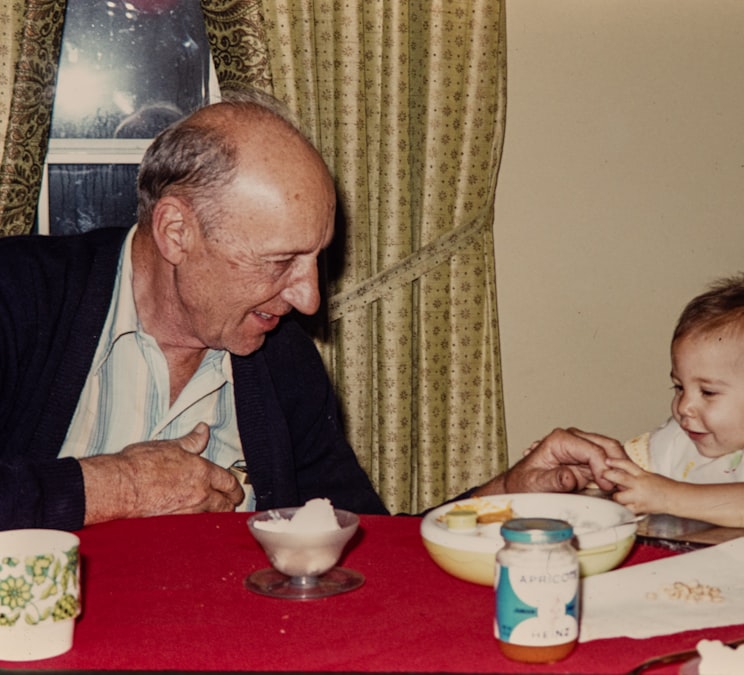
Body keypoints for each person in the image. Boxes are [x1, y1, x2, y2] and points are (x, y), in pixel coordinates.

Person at [0, 95, 621, 531]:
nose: (309, 299)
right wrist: (120, 489)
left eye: (316, 259)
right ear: (176, 232)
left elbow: (361, 545)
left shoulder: (276, 353)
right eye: (279, 262)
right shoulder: (19, 293)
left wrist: (503, 498)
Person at [583, 275, 744, 529]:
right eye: (679, 387)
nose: (682, 407)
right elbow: (612, 479)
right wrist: (586, 473)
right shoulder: (677, 441)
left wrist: (668, 496)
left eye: (708, 392)